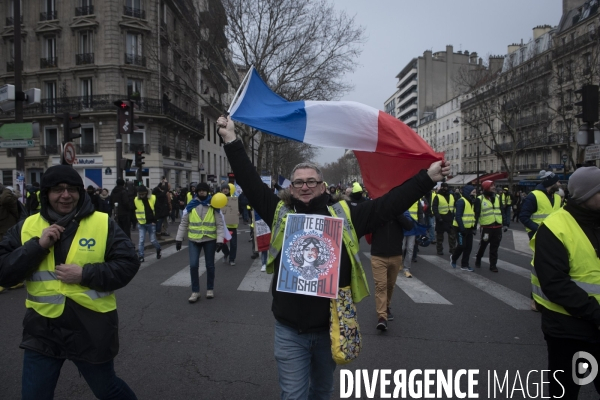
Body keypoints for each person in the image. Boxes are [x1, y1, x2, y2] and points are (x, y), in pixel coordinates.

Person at [217, 115, 449, 400]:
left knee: (323, 392)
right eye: (299, 182)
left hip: (331, 327)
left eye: (311, 181)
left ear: (323, 186)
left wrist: (428, 177)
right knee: (293, 395)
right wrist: (230, 140)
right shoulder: (280, 214)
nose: (305, 186)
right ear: (291, 188)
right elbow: (250, 183)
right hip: (289, 329)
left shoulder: (345, 215)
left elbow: (390, 204)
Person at [0, 165, 139, 399]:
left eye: (72, 189)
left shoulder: (102, 223)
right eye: (58, 189)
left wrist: (85, 274)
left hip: (91, 327)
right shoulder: (26, 226)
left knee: (108, 390)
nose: (65, 195)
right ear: (46, 194)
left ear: (80, 192)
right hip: (42, 329)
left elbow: (128, 264)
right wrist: (37, 247)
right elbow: (4, 272)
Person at [531, 166, 600, 399]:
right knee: (565, 393)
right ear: (585, 194)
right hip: (568, 329)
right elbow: (555, 283)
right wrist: (596, 312)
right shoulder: (554, 227)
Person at [175, 182, 224, 302]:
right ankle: (195, 292)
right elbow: (184, 223)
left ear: (207, 191)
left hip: (209, 239)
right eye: (199, 190)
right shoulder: (191, 205)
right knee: (193, 265)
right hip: (194, 239)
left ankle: (209, 289)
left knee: (210, 265)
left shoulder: (213, 205)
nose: (201, 192)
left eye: (203, 190)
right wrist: (178, 239)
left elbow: (220, 224)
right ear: (196, 192)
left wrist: (220, 240)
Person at [370, 210, 414, 331]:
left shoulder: (402, 210)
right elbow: (366, 226)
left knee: (390, 285)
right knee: (381, 285)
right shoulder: (377, 210)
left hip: (395, 254)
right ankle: (382, 317)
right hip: (378, 255)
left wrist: (397, 213)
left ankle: (387, 306)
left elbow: (409, 226)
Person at [519, 171, 562, 240]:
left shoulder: (557, 197)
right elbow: (523, 217)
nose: (560, 184)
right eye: (558, 182)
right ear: (551, 183)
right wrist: (538, 229)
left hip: (554, 233)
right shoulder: (533, 196)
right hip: (538, 234)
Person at [474, 181, 505, 272]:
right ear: (486, 187)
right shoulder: (479, 199)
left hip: (497, 227)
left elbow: (502, 210)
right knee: (483, 245)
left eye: (494, 186)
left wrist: (506, 223)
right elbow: (477, 214)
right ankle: (478, 258)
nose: (494, 187)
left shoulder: (498, 198)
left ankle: (493, 265)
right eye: (492, 186)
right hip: (486, 227)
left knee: (494, 247)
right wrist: (474, 227)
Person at [450, 185, 477, 272]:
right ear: (468, 192)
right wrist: (462, 229)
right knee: (461, 246)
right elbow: (458, 216)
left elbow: (472, 216)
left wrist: (473, 227)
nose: (475, 193)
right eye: (473, 192)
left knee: (468, 247)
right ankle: (454, 258)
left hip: (469, 228)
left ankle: (465, 265)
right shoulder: (461, 201)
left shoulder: (471, 201)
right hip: (460, 228)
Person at [134, 185, 161, 262]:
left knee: (152, 240)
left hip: (151, 222)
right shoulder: (136, 199)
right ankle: (141, 256)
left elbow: (158, 210)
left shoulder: (153, 198)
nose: (141, 196)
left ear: (146, 193)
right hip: (141, 223)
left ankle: (158, 248)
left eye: (143, 194)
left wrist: (155, 221)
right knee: (141, 240)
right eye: (140, 194)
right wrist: (136, 220)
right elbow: (134, 210)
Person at [432, 182, 456, 256]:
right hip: (441, 219)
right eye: (444, 187)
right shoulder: (437, 196)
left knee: (452, 236)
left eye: (446, 187)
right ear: (441, 188)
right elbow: (434, 208)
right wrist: (438, 217)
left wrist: (454, 215)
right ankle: (439, 250)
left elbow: (454, 206)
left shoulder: (451, 196)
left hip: (450, 218)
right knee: (439, 237)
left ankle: (452, 249)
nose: (445, 189)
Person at [219, 183, 238, 266]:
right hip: (222, 226)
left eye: (226, 188)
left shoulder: (234, 199)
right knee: (222, 243)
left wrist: (238, 212)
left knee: (233, 244)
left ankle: (232, 259)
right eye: (223, 189)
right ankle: (226, 253)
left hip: (232, 225)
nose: (225, 190)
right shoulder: (218, 199)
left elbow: (239, 208)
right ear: (221, 190)